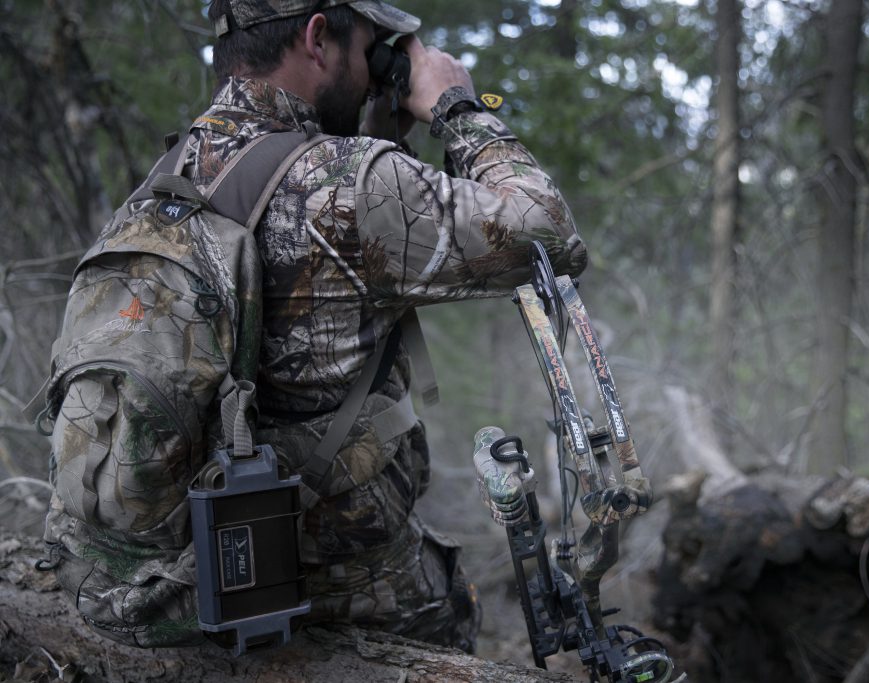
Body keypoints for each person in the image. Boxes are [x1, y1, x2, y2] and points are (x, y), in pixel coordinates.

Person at [188, 0, 585, 653]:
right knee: (451, 605)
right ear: (318, 37)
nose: (376, 67)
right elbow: (550, 237)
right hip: (353, 600)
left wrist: (380, 136)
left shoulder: (177, 169)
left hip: (216, 573)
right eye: (369, 46)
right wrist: (457, 105)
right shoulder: (352, 181)